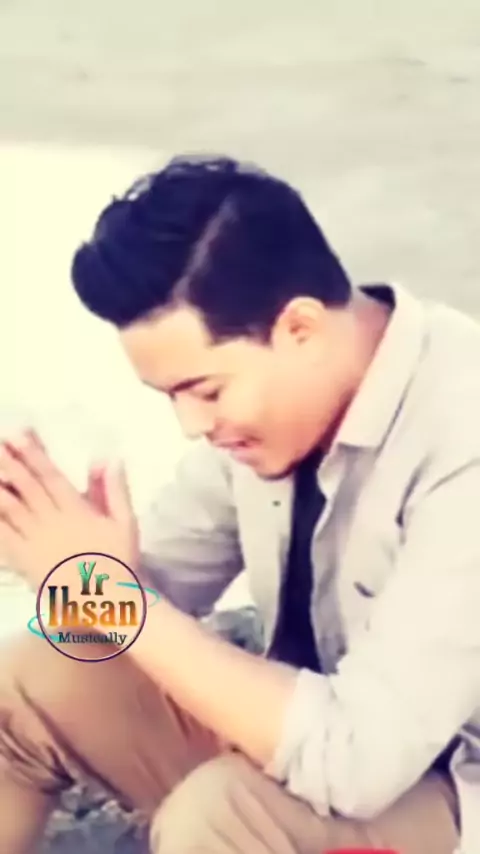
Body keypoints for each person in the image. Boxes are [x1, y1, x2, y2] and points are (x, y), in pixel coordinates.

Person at [0, 154, 478, 854]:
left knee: (222, 818)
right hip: (314, 744)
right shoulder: (270, 414)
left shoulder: (464, 436)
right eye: (171, 396)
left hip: (449, 792)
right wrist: (62, 562)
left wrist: (117, 599)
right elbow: (143, 600)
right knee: (29, 679)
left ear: (300, 329)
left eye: (206, 391)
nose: (192, 425)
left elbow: (357, 761)